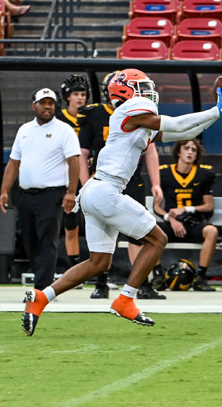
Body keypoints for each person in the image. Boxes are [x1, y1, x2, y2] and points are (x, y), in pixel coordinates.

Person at [21, 68, 222, 336]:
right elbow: (177, 125)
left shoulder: (136, 119)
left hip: (95, 191)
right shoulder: (133, 108)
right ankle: (126, 299)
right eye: (142, 85)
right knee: (158, 240)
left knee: (98, 262)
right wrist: (218, 110)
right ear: (127, 90)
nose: (149, 90)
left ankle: (41, 298)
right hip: (106, 191)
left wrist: (219, 113)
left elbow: (183, 132)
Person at [78, 71, 164, 300]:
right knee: (107, 247)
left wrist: (156, 183)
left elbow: (152, 149)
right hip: (106, 181)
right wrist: (85, 183)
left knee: (140, 236)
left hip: (130, 179)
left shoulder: (140, 114)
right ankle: (105, 284)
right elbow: (83, 153)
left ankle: (140, 284)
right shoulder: (98, 114)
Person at [0, 88, 80, 290]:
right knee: (29, 240)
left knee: (47, 239)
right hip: (26, 194)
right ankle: (40, 279)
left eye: (51, 103)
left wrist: (71, 192)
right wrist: (4, 191)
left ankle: (42, 287)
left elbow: (74, 161)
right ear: (33, 105)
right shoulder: (24, 130)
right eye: (43, 103)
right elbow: (13, 163)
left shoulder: (64, 130)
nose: (47, 107)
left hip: (52, 194)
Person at [153, 139, 218, 292]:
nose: (190, 152)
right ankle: (158, 276)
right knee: (150, 231)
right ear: (178, 152)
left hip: (192, 223)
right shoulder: (164, 173)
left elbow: (209, 206)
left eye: (194, 150)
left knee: (212, 231)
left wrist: (187, 209)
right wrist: (171, 219)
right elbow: (156, 206)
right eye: (186, 148)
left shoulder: (203, 174)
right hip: (171, 224)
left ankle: (200, 278)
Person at [56, 74, 90, 270]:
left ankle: (99, 268)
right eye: (76, 94)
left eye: (83, 94)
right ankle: (72, 267)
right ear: (68, 97)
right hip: (64, 177)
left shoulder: (90, 117)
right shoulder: (59, 119)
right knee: (70, 225)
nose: (80, 98)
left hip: (87, 175)